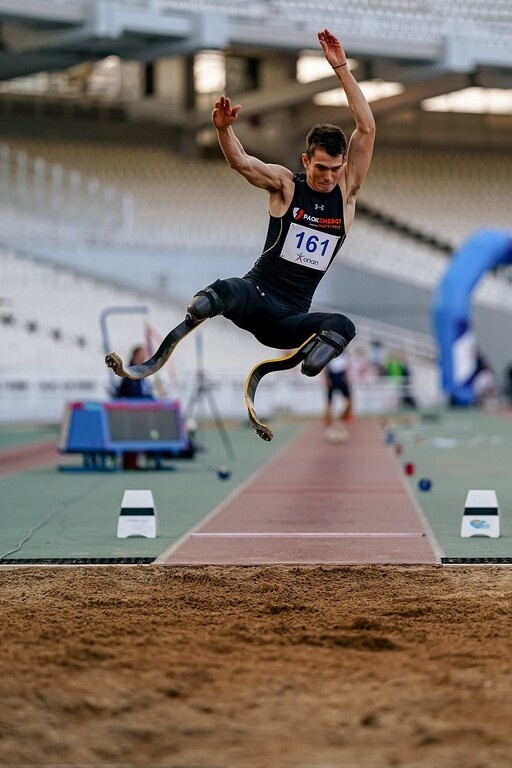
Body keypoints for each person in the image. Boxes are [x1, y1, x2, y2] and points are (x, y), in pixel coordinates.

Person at [107, 29, 375, 436]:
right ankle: (200, 310)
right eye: (320, 168)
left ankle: (311, 365)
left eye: (335, 170)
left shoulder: (347, 195)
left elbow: (366, 128)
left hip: (290, 321)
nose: (328, 177)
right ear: (307, 160)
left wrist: (340, 67)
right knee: (224, 291)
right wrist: (223, 131)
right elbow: (244, 163)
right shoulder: (288, 185)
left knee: (344, 325)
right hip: (255, 297)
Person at [115, 346, 154, 469]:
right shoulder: (131, 372)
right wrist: (147, 398)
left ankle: (133, 461)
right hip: (132, 410)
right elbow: (131, 392)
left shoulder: (140, 371)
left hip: (138, 410)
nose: (144, 358)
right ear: (135, 356)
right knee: (132, 436)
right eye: (141, 355)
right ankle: (129, 463)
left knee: (137, 436)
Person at [324, 353, 352, 443]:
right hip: (332, 375)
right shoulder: (329, 353)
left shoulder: (344, 353)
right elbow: (324, 367)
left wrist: (347, 378)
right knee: (329, 403)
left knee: (349, 401)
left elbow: (346, 367)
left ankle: (340, 421)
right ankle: (329, 426)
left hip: (340, 376)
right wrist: (326, 379)